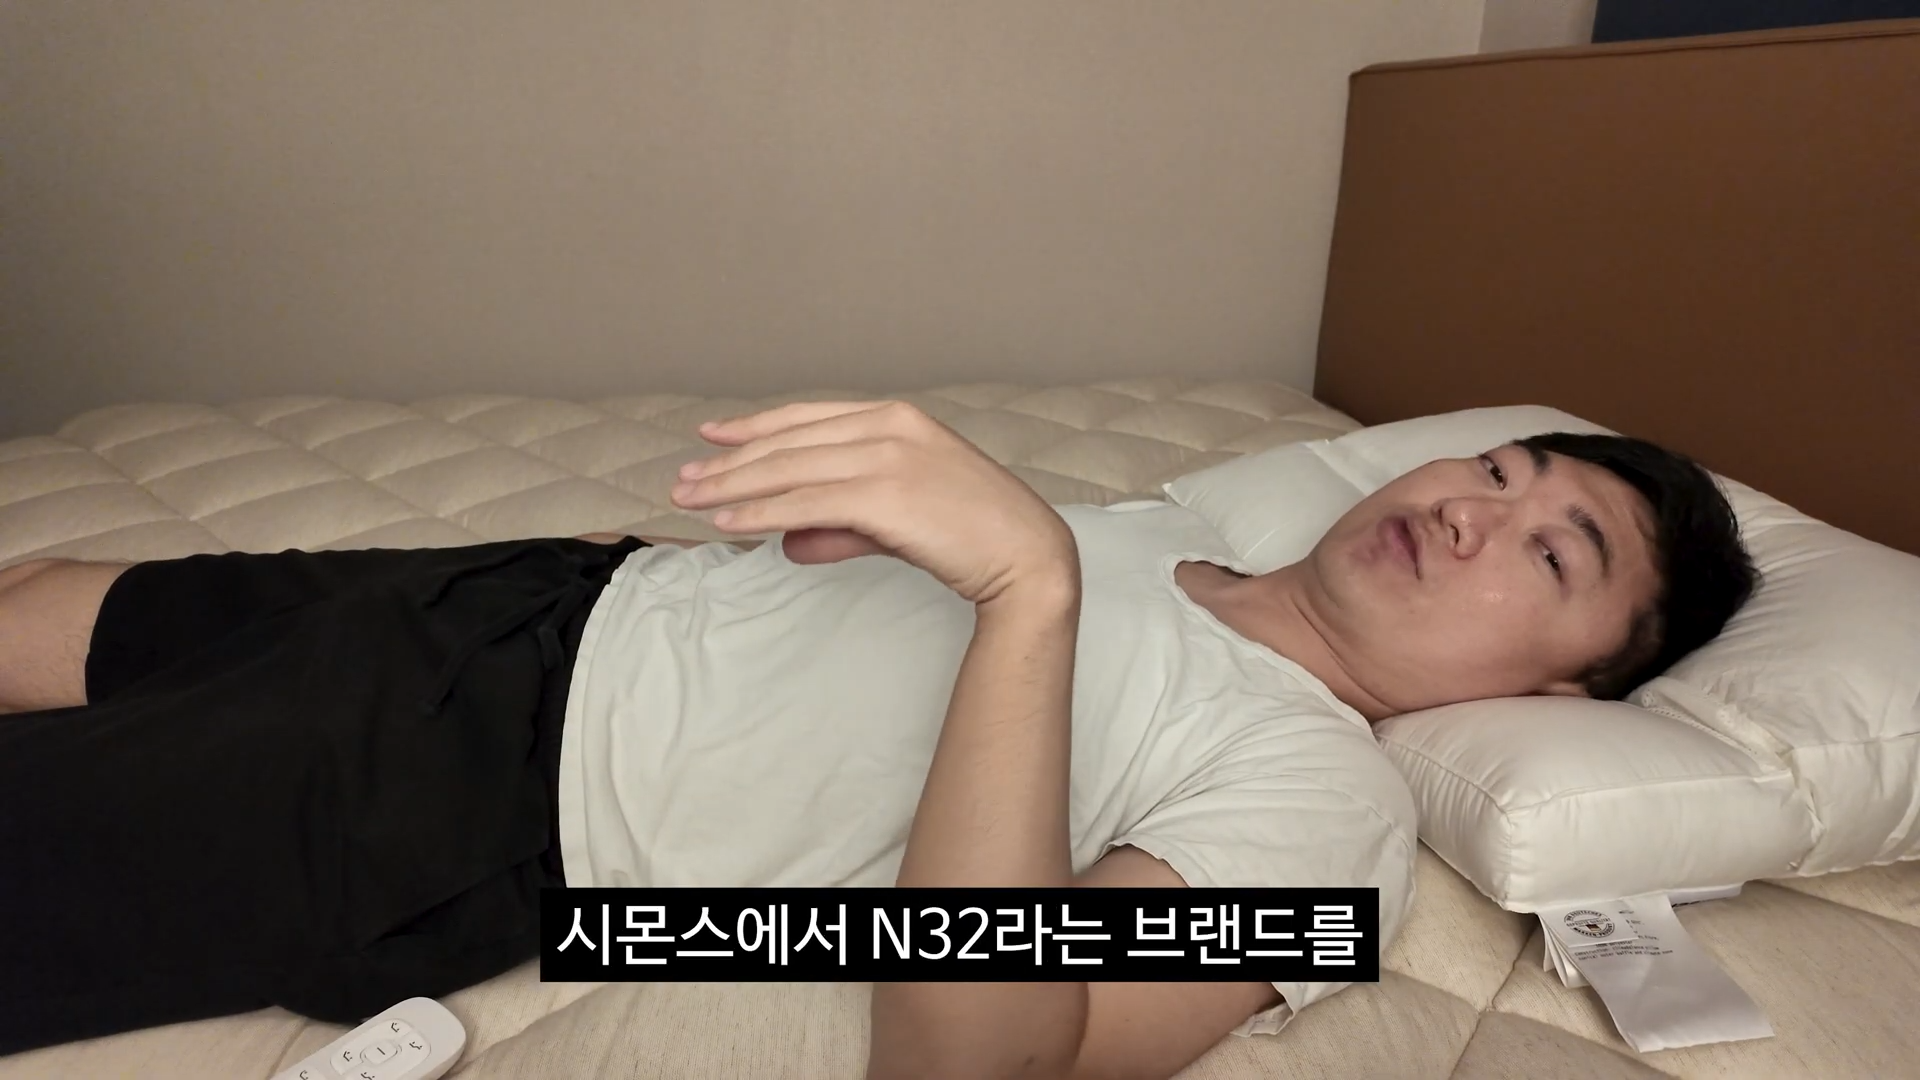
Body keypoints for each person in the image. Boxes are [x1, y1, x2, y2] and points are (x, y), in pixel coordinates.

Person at [0, 401, 1754, 1077]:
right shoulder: (1178, 528)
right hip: (533, 597)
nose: (1471, 510)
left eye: (1553, 554)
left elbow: (981, 1059)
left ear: (1558, 696)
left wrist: (1027, 593)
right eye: (1498, 468)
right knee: (40, 596)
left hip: (495, 793)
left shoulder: (1331, 817)